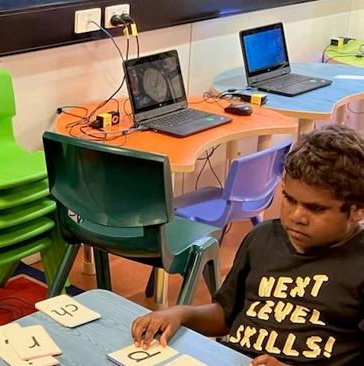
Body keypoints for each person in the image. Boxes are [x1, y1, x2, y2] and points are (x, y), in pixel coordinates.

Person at [131, 124, 364, 366]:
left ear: (358, 209)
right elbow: (226, 315)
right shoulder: (262, 238)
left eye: (315, 208)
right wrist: (181, 313)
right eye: (289, 199)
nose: (296, 216)